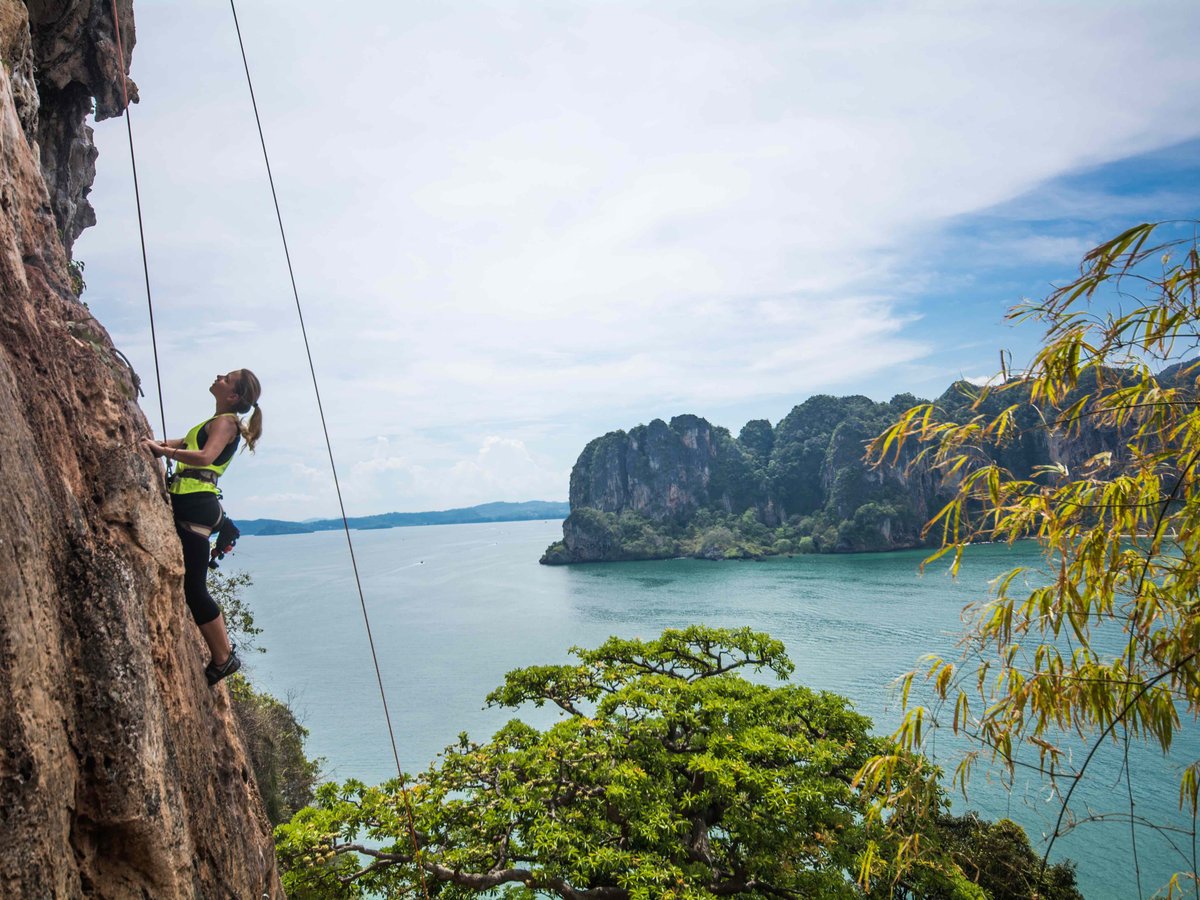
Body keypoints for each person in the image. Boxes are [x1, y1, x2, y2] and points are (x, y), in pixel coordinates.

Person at [142, 369, 262, 686]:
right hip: (194, 505)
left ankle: (224, 657)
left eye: (227, 378)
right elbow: (183, 442)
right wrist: (155, 443)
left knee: (194, 588)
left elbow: (205, 456)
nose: (219, 375)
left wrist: (162, 452)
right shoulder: (214, 421)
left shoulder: (226, 423)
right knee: (192, 586)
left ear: (234, 396)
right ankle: (224, 655)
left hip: (196, 507)